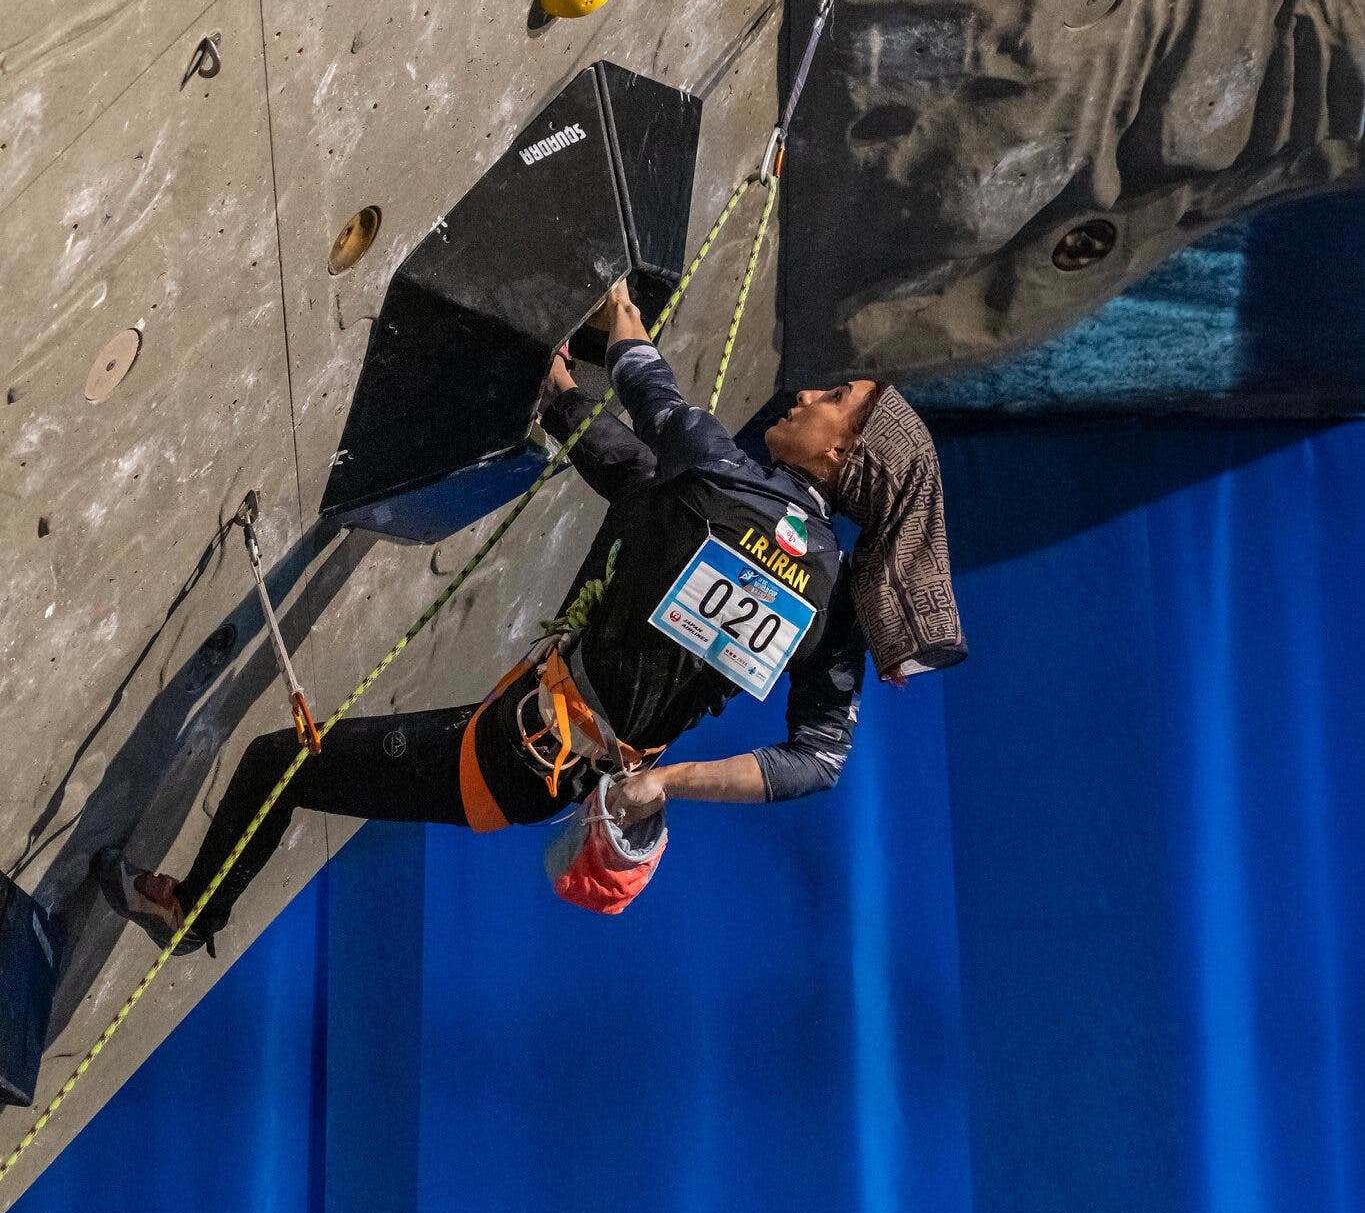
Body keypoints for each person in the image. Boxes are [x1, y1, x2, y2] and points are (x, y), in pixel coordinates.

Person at [98, 279, 966, 951]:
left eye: (834, 399)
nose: (809, 396)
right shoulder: (828, 598)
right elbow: (818, 759)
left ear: (842, 451)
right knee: (639, 489)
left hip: (510, 753)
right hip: (560, 766)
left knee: (278, 762)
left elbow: (645, 381)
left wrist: (617, 302)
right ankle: (196, 912)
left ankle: (194, 915)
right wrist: (667, 780)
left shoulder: (720, 477)